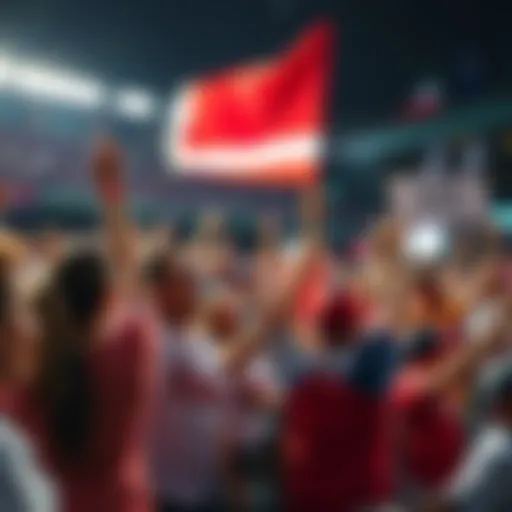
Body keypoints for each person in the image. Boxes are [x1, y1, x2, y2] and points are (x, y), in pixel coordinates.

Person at [8, 139, 157, 512]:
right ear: (107, 299)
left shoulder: (26, 380)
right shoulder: (128, 355)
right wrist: (112, 193)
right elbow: (130, 277)